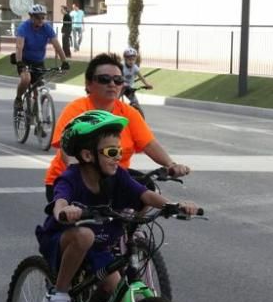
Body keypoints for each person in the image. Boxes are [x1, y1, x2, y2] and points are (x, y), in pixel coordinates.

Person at [36, 109, 200, 302]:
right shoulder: (71, 178)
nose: (119, 158)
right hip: (64, 242)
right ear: (87, 156)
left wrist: (173, 205)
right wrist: (67, 211)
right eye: (112, 152)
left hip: (99, 246)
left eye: (120, 151)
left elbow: (145, 194)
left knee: (120, 301)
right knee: (84, 235)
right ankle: (59, 293)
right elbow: (59, 203)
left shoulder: (118, 175)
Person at [44, 52, 189, 201]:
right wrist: (80, 182)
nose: (112, 84)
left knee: (148, 189)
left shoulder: (129, 113)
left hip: (114, 180)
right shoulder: (77, 110)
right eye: (104, 79)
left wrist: (171, 165)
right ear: (88, 84)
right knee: (84, 224)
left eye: (118, 80)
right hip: (71, 184)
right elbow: (68, 153)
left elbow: (150, 144)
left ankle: (129, 225)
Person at [14, 4, 67, 113]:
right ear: (31, 17)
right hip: (24, 60)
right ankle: (18, 98)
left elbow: (57, 45)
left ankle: (37, 116)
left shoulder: (47, 28)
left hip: (38, 61)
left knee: (38, 88)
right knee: (26, 79)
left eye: (43, 17)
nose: (41, 20)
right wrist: (19, 62)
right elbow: (19, 47)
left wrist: (64, 61)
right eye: (38, 17)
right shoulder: (23, 28)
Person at [120, 47, 153, 114]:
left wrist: (147, 84)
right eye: (129, 59)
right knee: (113, 102)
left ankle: (137, 116)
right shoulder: (121, 66)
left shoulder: (135, 67)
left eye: (133, 59)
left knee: (136, 103)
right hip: (120, 88)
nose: (131, 61)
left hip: (129, 89)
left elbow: (141, 77)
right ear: (125, 59)